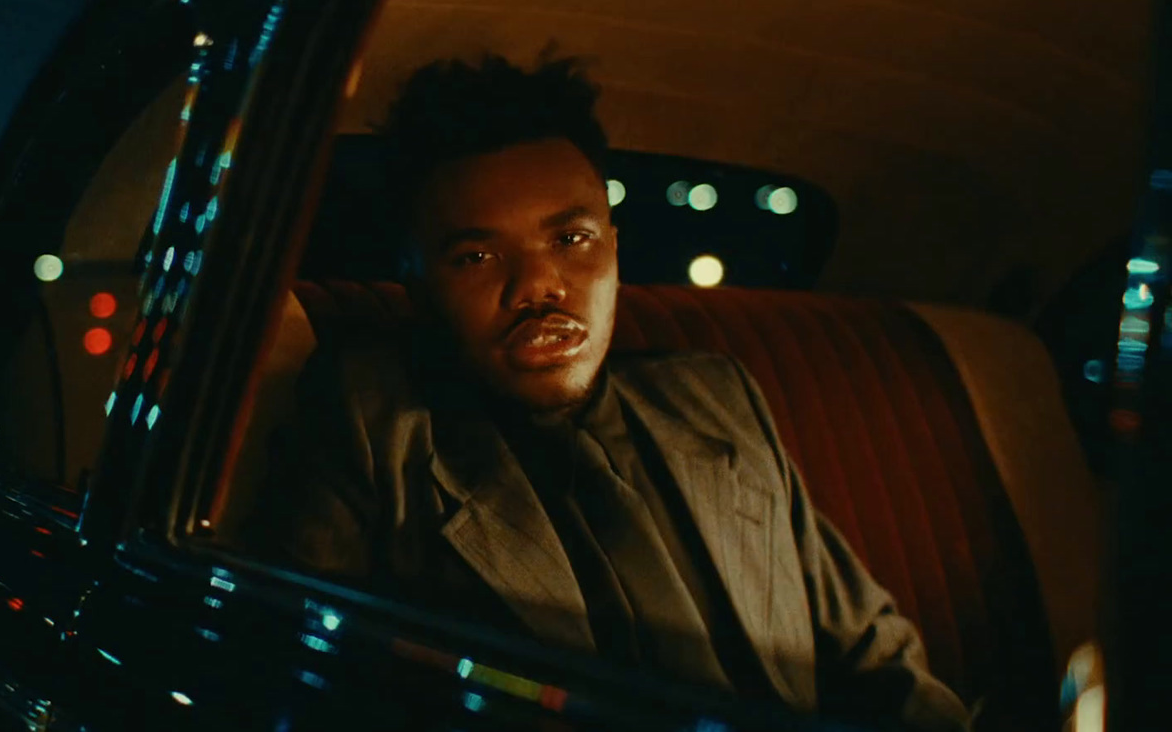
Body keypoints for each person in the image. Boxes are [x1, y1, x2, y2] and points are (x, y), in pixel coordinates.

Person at [253, 52, 970, 732]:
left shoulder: (718, 397)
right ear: (415, 280)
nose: (538, 285)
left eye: (572, 240)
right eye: (477, 255)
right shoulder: (373, 422)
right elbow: (305, 681)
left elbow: (874, 653)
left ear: (616, 248)